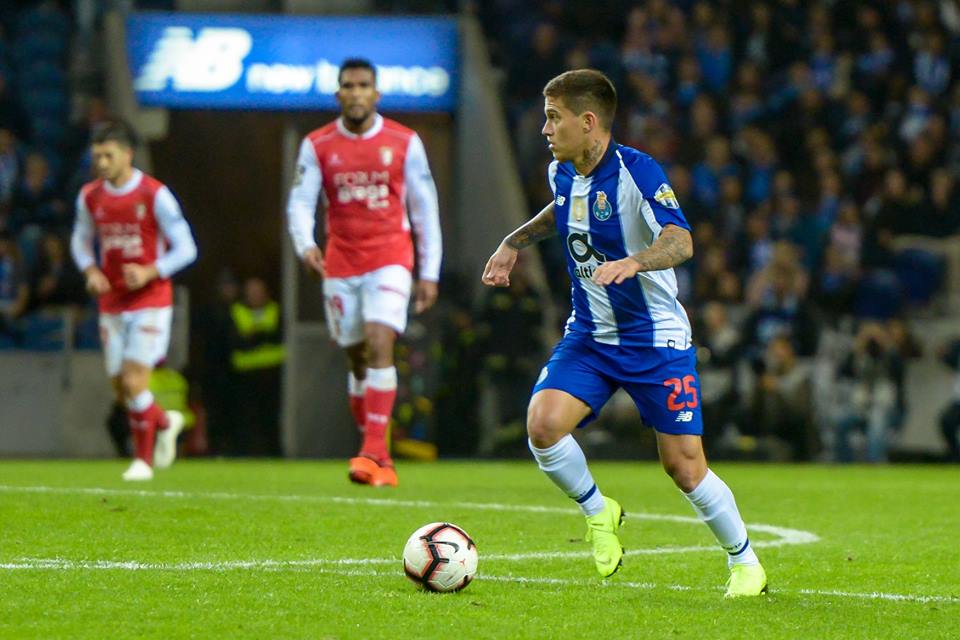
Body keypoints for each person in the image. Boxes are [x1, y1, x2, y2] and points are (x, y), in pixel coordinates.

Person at [482, 70, 767, 597]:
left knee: (683, 467)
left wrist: (636, 261)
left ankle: (745, 562)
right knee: (543, 426)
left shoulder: (638, 172)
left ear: (588, 122)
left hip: (654, 340)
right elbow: (561, 210)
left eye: (554, 118)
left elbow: (681, 240)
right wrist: (512, 242)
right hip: (590, 336)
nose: (545, 129)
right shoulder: (560, 170)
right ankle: (599, 511)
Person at [286, 58, 441, 487]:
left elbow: (424, 209)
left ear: (376, 93)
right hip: (341, 264)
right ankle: (381, 458)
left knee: (379, 340)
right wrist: (305, 245)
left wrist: (429, 272)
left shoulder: (404, 142)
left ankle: (371, 451)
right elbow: (300, 202)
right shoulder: (317, 144)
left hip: (390, 259)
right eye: (349, 85)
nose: (356, 93)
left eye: (363, 85)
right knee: (357, 360)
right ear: (339, 94)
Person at [70, 120, 197, 481]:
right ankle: (164, 421)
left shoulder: (154, 194)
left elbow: (187, 248)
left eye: (108, 156)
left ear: (127, 154)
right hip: (112, 300)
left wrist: (150, 271)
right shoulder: (90, 196)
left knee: (134, 379)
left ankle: (143, 461)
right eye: (97, 157)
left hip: (150, 299)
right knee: (120, 387)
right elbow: (80, 240)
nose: (101, 163)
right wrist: (91, 270)